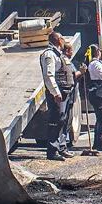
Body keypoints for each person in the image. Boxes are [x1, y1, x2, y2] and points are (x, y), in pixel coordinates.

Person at [39, 32, 73, 161]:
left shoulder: (59, 55)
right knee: (55, 120)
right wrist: (55, 92)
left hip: (64, 92)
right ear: (58, 40)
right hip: (57, 94)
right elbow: (49, 76)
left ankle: (61, 148)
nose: (64, 41)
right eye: (62, 38)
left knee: (62, 120)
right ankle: (52, 151)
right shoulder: (49, 54)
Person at [62, 42, 84, 150]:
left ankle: (63, 144)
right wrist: (81, 72)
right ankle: (63, 144)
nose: (72, 53)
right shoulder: (65, 62)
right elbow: (72, 76)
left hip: (70, 95)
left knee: (66, 119)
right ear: (67, 51)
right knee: (65, 120)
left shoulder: (67, 62)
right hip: (68, 96)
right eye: (71, 51)